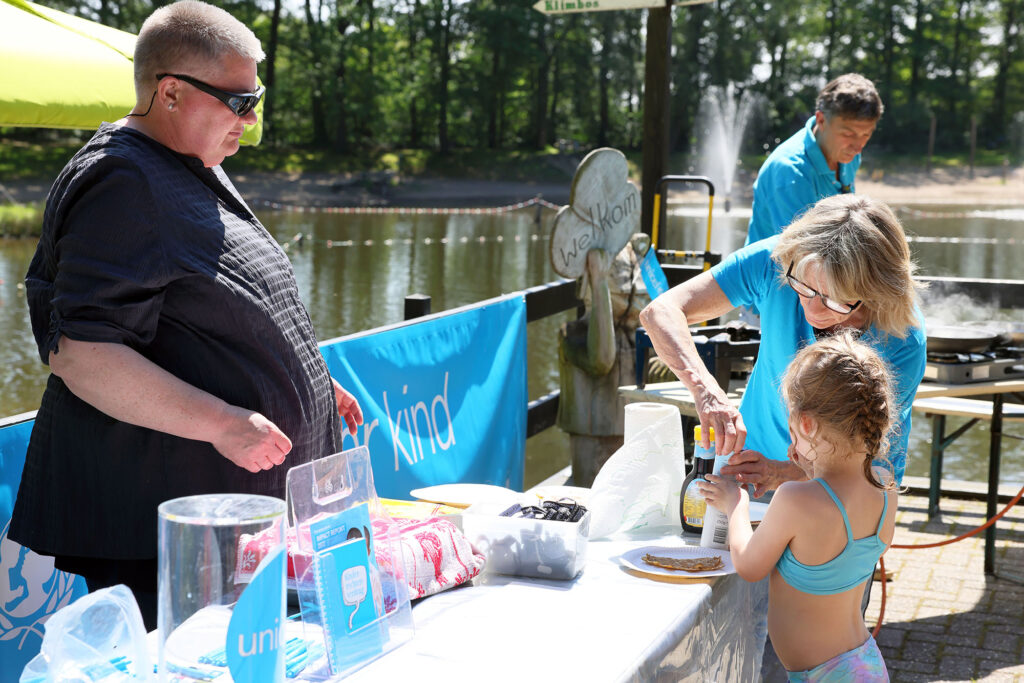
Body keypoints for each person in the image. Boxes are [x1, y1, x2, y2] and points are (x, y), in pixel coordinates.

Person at [10, 0, 362, 630]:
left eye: (257, 98)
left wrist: (311, 380)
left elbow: (219, 307)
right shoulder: (122, 179)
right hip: (165, 531)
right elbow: (82, 353)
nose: (250, 119)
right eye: (238, 101)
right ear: (170, 93)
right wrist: (223, 421)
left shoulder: (188, 160)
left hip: (219, 520)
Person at [638, 193, 926, 493]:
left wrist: (782, 472)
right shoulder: (777, 259)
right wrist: (708, 392)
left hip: (843, 497)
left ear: (874, 291)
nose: (812, 311)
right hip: (747, 472)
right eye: (803, 287)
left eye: (834, 300)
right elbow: (660, 312)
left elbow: (864, 459)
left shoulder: (902, 338)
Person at [699, 332, 898, 681]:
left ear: (806, 423)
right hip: (862, 664)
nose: (792, 444)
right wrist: (812, 466)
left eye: (792, 433)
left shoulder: (795, 499)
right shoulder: (883, 483)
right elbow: (835, 515)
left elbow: (748, 564)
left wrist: (736, 503)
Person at [745, 73, 883, 246]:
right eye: (848, 134)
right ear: (821, 119)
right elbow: (800, 254)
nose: (858, 146)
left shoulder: (847, 153)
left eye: (866, 134)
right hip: (781, 269)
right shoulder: (791, 173)